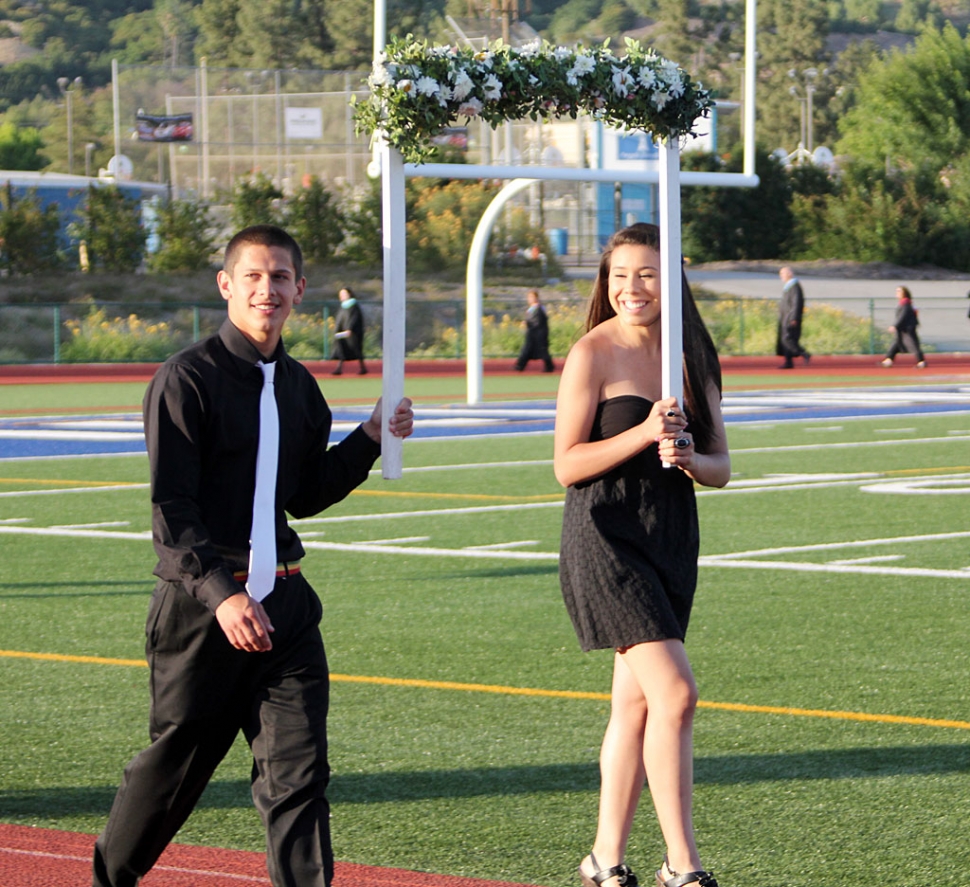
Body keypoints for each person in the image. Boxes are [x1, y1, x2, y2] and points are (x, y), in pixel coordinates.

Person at [92, 225, 414, 887]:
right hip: (202, 612)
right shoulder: (186, 379)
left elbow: (304, 495)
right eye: (254, 277)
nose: (267, 289)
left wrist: (371, 437)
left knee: (299, 777)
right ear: (227, 286)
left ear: (300, 289)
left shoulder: (299, 387)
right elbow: (172, 512)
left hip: (288, 611)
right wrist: (223, 593)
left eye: (281, 278)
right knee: (171, 772)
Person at [554, 223, 730, 887]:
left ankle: (603, 859)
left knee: (634, 706)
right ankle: (683, 865)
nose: (632, 287)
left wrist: (690, 457)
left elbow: (723, 467)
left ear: (673, 277)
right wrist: (644, 431)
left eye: (648, 273)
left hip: (670, 538)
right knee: (676, 693)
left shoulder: (692, 355)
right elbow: (566, 465)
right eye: (620, 274)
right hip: (605, 536)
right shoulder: (591, 353)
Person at [881, 286, 926, 368]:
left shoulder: (906, 304)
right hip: (902, 329)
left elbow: (903, 316)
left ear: (904, 293)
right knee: (896, 343)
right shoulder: (904, 303)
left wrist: (895, 326)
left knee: (912, 344)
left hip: (907, 329)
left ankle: (921, 361)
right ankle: (888, 360)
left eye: (899, 291)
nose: (897, 293)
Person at [776, 266, 810, 369]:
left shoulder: (795, 287)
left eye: (783, 274)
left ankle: (803, 353)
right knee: (784, 339)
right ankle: (788, 362)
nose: (781, 276)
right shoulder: (788, 287)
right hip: (785, 317)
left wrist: (794, 317)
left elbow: (796, 303)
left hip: (790, 318)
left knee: (787, 339)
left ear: (789, 274)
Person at [514, 288, 555, 373]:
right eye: (529, 297)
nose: (530, 299)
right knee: (527, 350)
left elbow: (538, 322)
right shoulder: (532, 309)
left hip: (538, 334)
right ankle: (520, 366)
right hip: (532, 333)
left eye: (532, 297)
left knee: (541, 351)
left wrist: (528, 323)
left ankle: (549, 367)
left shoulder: (539, 309)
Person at [332, 286, 366, 375]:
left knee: (356, 349)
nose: (341, 296)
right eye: (341, 294)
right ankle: (339, 368)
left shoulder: (354, 306)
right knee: (341, 349)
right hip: (342, 333)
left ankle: (363, 367)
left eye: (344, 294)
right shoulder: (343, 307)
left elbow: (355, 319)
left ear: (349, 294)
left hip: (352, 333)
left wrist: (350, 329)